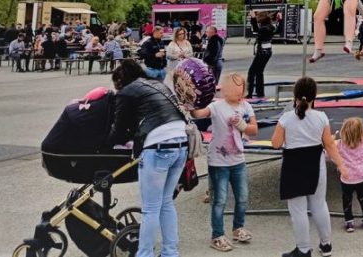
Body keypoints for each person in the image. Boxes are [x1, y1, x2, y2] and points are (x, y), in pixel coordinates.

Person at [106, 59, 188, 257]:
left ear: (121, 80)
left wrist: (102, 142)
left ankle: (144, 254)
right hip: (182, 143)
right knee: (166, 202)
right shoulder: (158, 85)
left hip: (158, 147)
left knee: (150, 208)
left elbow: (118, 133)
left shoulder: (127, 92)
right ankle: (170, 252)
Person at [272, 76, 348, 257]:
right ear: (314, 97)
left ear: (295, 96)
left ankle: (304, 249)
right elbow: (329, 145)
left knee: (298, 209)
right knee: (319, 204)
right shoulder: (321, 118)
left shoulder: (286, 118)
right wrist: (342, 165)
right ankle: (326, 244)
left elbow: (276, 143)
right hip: (316, 163)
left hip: (293, 165)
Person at [191, 73, 258, 250]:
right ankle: (217, 235)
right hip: (218, 162)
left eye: (241, 87)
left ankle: (238, 228)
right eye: (235, 87)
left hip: (238, 161)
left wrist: (242, 126)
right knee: (219, 200)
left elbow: (254, 130)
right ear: (226, 89)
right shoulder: (217, 106)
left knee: (242, 198)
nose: (238, 91)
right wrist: (190, 100)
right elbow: (199, 114)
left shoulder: (246, 106)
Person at [336, 117, 363, 233]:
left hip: (347, 178)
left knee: (347, 199)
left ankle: (349, 222)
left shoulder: (340, 144)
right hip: (362, 176)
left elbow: (330, 154)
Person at [246, 14, 274, 99]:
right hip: (267, 51)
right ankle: (260, 92)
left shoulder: (264, 29)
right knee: (259, 72)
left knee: (252, 72)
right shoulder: (271, 27)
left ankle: (250, 93)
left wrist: (253, 18)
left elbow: (256, 30)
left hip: (262, 52)